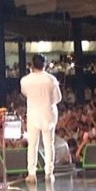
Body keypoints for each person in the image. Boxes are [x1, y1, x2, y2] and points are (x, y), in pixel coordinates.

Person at [20, 54, 62, 183]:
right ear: (45, 65)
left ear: (32, 64)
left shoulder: (25, 80)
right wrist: (47, 101)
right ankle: (49, 173)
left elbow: (25, 93)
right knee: (49, 144)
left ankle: (31, 174)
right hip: (48, 114)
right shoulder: (51, 79)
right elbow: (58, 98)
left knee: (32, 145)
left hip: (33, 114)